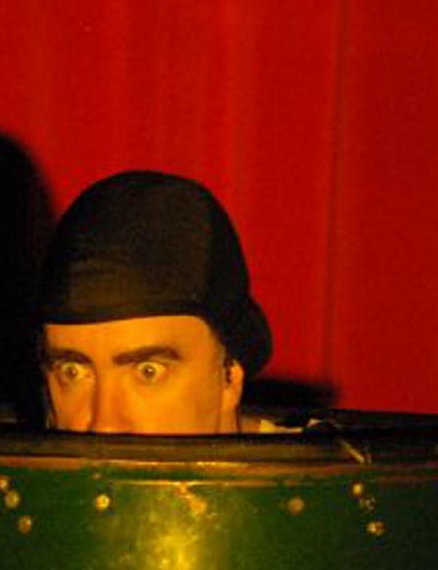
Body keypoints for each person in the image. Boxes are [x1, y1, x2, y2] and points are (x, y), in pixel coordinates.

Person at [37, 170, 273, 434]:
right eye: (72, 372)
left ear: (229, 377)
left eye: (148, 371)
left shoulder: (311, 459)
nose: (105, 425)